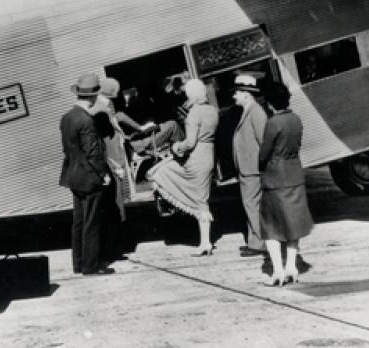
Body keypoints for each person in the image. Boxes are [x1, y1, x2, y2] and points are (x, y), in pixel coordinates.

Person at [149, 79, 220, 255]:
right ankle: (205, 242)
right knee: (201, 199)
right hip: (209, 155)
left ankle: (205, 243)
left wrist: (175, 147)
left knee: (159, 172)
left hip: (195, 159)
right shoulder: (212, 110)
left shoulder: (194, 113)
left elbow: (189, 143)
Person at [258, 82, 313, 286]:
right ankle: (292, 267)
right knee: (293, 225)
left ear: (270, 102)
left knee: (271, 227)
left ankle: (278, 272)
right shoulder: (296, 119)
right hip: (295, 175)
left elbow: (264, 153)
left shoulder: (273, 123)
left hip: (275, 178)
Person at [60, 73, 114, 276]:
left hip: (73, 177)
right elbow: (93, 152)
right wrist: (104, 174)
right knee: (92, 222)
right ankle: (91, 266)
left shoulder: (67, 118)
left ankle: (79, 263)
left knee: (79, 222)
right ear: (91, 98)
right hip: (90, 178)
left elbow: (68, 149)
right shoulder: (87, 122)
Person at [91, 77, 132, 260]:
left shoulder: (104, 110)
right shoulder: (101, 112)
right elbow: (101, 144)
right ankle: (114, 249)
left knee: (116, 204)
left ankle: (116, 247)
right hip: (111, 164)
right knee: (113, 205)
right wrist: (114, 167)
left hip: (114, 162)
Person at [232, 74, 268, 257]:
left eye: (237, 93)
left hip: (253, 168)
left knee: (252, 204)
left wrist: (263, 167)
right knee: (250, 204)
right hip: (248, 168)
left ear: (246, 94)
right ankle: (255, 241)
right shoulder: (249, 110)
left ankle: (259, 244)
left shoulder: (255, 112)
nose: (234, 96)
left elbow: (264, 141)